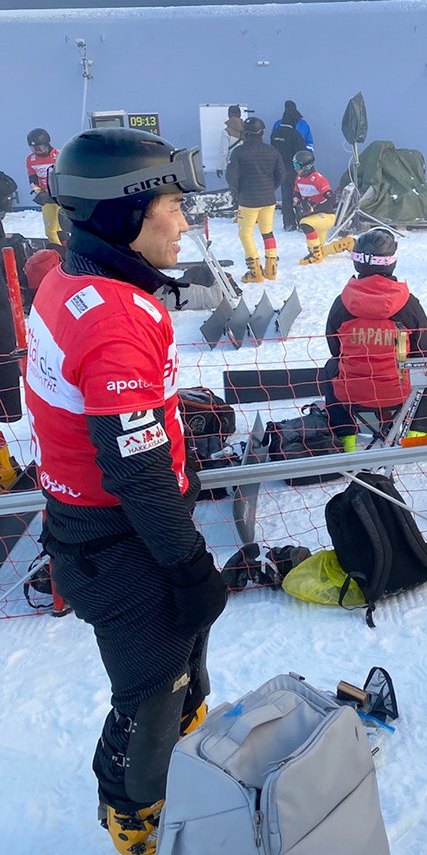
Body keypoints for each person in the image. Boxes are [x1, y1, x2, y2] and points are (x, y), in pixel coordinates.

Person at [26, 127, 226, 854]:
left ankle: (186, 774)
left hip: (106, 527)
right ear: (121, 217)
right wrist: (187, 565)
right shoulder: (113, 318)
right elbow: (134, 468)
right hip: (123, 542)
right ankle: (135, 824)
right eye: (170, 204)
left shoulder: (72, 279)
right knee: (152, 695)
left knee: (179, 670)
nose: (183, 220)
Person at [323, 228, 427, 448]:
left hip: (352, 390)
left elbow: (334, 348)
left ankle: (345, 437)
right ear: (391, 262)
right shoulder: (407, 303)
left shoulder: (342, 302)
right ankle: (417, 434)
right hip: (400, 388)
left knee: (331, 367)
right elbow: (423, 346)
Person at [227, 116, 284, 282]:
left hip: (248, 200)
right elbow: (281, 174)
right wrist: (270, 188)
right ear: (262, 133)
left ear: (245, 133)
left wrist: (238, 192)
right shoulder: (272, 151)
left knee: (245, 233)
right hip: (268, 199)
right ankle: (271, 270)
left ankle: (254, 272)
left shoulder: (239, 152)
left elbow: (232, 177)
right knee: (267, 232)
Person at [293, 149, 353, 264]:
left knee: (305, 223)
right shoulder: (299, 178)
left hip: (325, 215)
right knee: (319, 249)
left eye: (297, 166)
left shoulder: (318, 179)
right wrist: (296, 201)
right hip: (314, 217)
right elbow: (297, 193)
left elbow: (331, 199)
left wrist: (314, 206)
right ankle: (346, 243)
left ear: (306, 167)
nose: (295, 169)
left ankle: (315, 256)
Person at [269, 103, 309, 231]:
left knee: (286, 197)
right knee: (300, 196)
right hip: (295, 170)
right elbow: (302, 154)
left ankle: (289, 223)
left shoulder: (275, 133)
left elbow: (273, 151)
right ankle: (302, 222)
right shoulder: (295, 135)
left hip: (280, 170)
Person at [26, 127, 62, 244]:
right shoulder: (31, 159)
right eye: (33, 147)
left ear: (47, 144)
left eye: (40, 147)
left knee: (62, 229)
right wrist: (37, 191)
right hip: (46, 198)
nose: (37, 150)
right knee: (50, 231)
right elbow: (32, 178)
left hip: (61, 197)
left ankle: (68, 252)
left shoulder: (58, 155)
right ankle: (58, 254)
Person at [216, 105, 243, 178]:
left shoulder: (226, 132)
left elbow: (223, 152)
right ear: (240, 115)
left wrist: (219, 167)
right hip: (247, 165)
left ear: (229, 115)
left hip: (233, 165)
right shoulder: (247, 130)